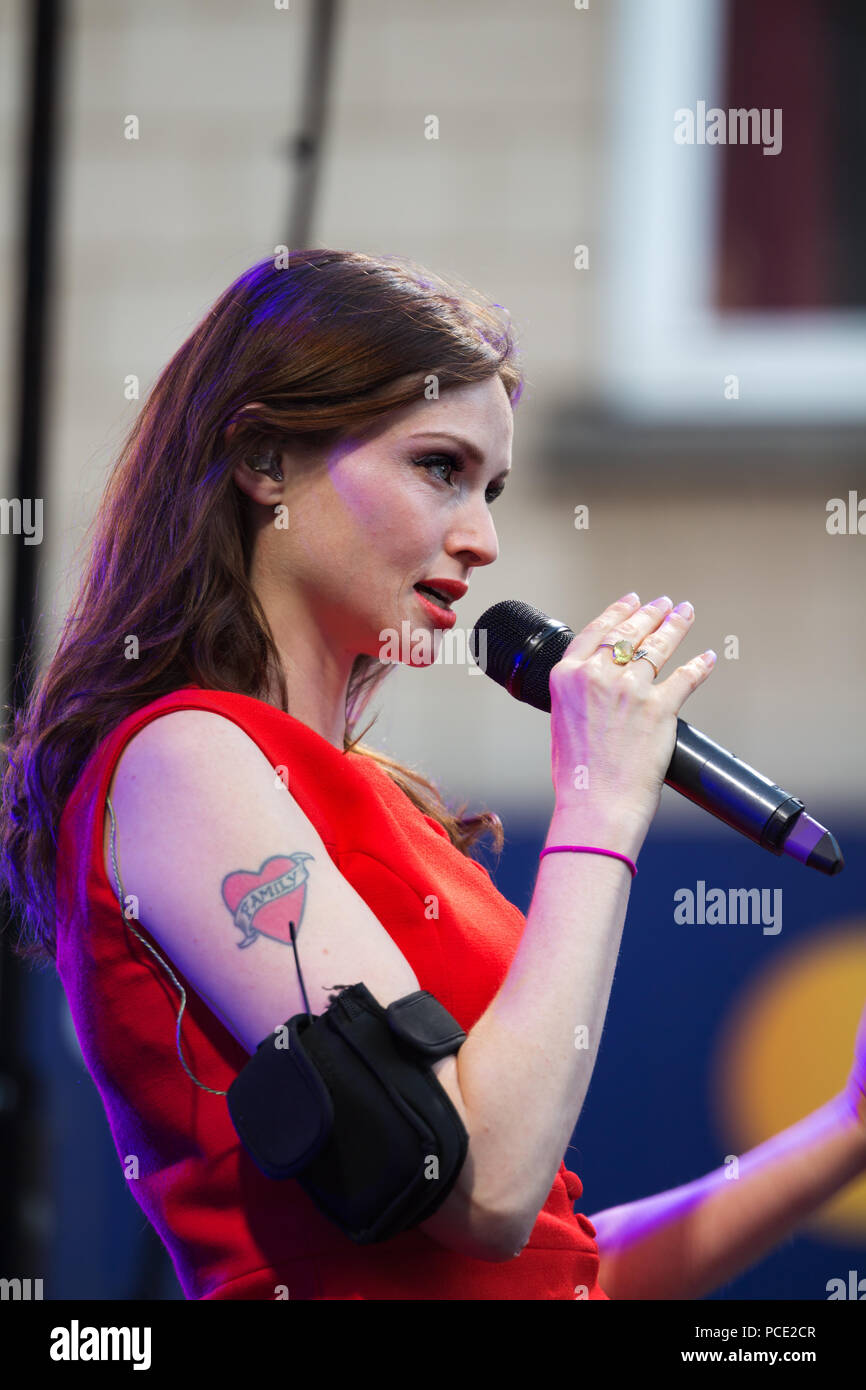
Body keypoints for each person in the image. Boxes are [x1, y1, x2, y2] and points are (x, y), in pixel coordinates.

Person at [2, 249, 865, 1301]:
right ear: (263, 458)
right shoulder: (185, 760)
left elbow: (550, 1264)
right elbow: (485, 1189)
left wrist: (842, 1130)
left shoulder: (389, 803)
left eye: (490, 487)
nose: (484, 538)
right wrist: (597, 800)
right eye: (439, 468)